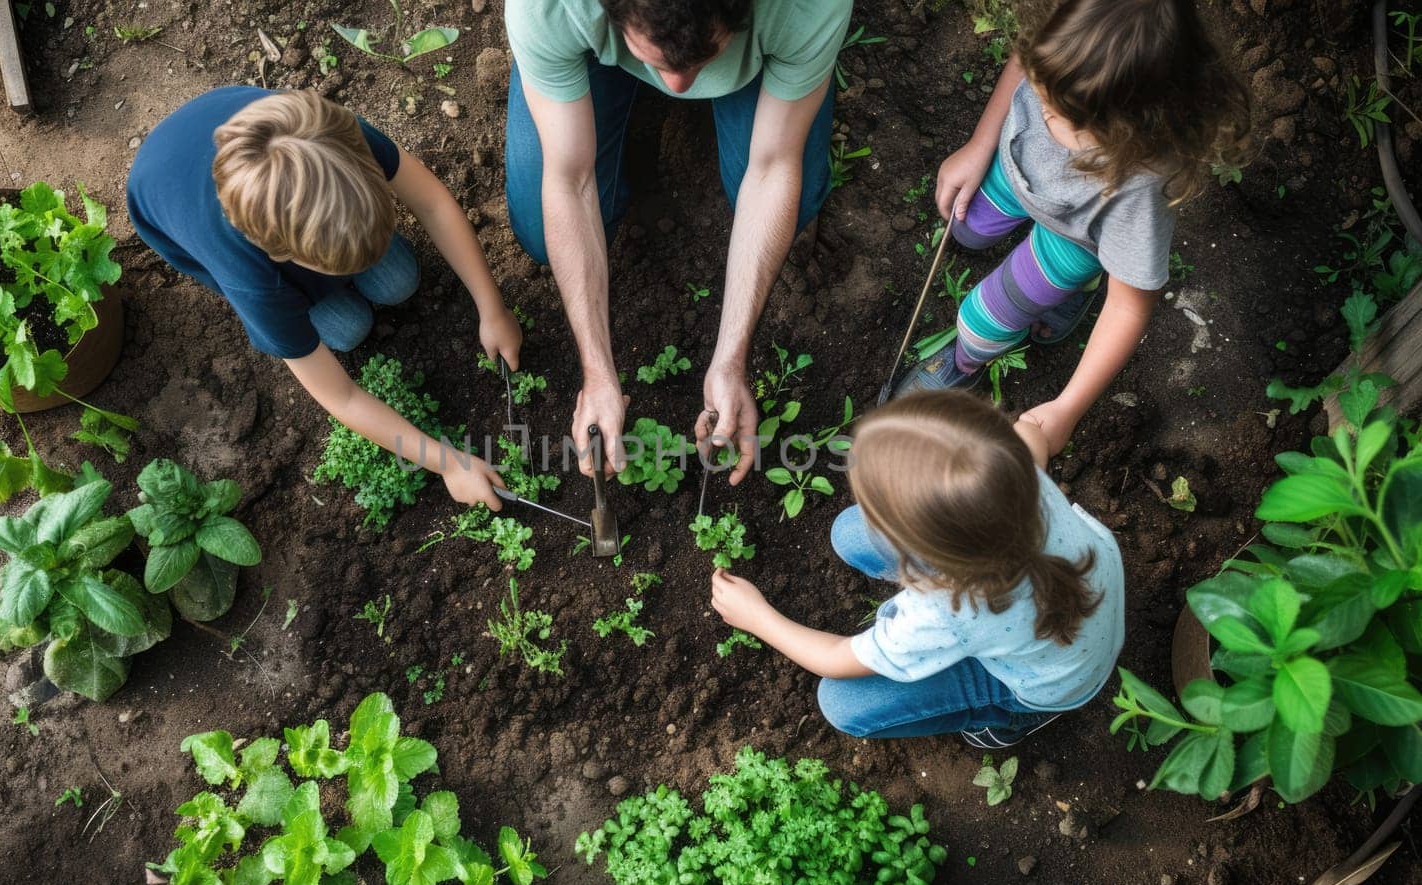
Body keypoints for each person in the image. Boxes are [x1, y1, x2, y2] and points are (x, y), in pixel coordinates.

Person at [504, 0, 852, 483]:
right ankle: (615, 74)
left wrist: (731, 360)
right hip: (590, 44)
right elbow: (569, 179)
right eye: (658, 61)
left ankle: (705, 61)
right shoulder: (546, 8)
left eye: (702, 60)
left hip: (763, 41)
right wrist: (597, 374)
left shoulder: (808, 8)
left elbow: (773, 168)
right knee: (544, 232)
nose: (679, 87)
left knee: (799, 198)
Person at [127, 87, 520, 511]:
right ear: (283, 253)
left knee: (398, 281)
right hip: (168, 201)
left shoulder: (335, 142)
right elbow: (341, 396)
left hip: (240, 138)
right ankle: (331, 281)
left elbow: (432, 203)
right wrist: (447, 463)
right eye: (334, 265)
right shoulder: (255, 280)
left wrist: (492, 307)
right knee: (348, 328)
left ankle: (354, 249)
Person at [891, 0, 1249, 459]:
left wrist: (1067, 408)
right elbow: (1025, 66)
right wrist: (980, 144)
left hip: (1074, 234)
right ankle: (1059, 288)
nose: (1042, 112)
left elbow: (1128, 306)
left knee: (980, 323)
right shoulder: (1068, 63)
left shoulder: (1139, 187)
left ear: (1131, 130)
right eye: (1041, 91)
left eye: (1062, 116)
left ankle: (968, 360)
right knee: (967, 229)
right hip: (1015, 171)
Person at [708, 390, 1124, 748]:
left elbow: (835, 659)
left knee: (842, 704)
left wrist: (758, 617)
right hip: (1081, 603)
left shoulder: (947, 613)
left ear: (928, 548)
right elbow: (1032, 430)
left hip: (1051, 685)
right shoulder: (1020, 477)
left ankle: (1012, 719)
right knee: (850, 533)